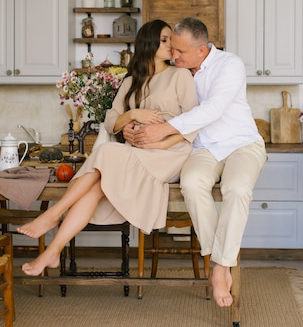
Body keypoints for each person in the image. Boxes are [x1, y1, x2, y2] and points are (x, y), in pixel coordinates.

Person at [18, 19, 198, 276]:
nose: (172, 45)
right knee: (97, 186)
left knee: (103, 152)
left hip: (170, 154)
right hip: (139, 153)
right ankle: (53, 250)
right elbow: (111, 121)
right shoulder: (132, 81)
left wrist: (159, 141)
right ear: (149, 43)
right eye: (165, 40)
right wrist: (133, 114)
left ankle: (53, 214)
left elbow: (192, 124)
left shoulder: (179, 76)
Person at [125, 17, 267, 308]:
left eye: (179, 50)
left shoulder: (229, 65)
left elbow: (212, 109)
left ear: (201, 50)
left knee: (237, 189)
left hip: (241, 144)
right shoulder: (178, 73)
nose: (173, 54)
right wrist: (129, 123)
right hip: (203, 148)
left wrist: (163, 130)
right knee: (191, 184)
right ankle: (219, 259)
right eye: (171, 48)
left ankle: (219, 267)